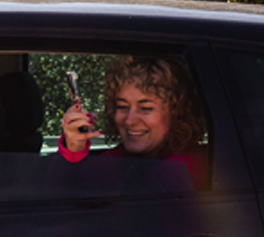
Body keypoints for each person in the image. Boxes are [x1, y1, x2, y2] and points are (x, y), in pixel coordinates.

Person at [57, 54, 209, 189]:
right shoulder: (121, 157)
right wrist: (73, 149)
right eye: (122, 107)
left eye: (146, 108)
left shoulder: (178, 169)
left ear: (177, 112)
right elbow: (61, 193)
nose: (129, 121)